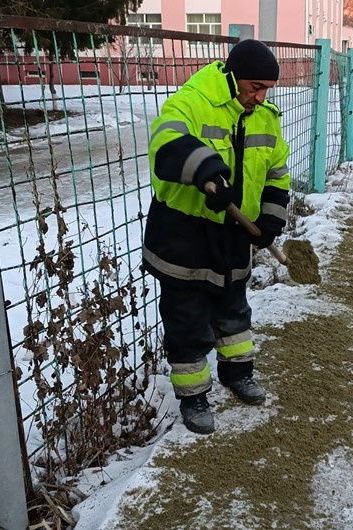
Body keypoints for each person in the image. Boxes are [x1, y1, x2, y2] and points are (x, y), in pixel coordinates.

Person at [142, 40, 291, 434]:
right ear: (234, 78)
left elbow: (277, 172)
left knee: (234, 310)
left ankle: (238, 373)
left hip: (234, 234)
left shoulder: (265, 118)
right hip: (184, 235)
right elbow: (165, 142)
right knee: (187, 320)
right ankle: (193, 397)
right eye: (255, 87)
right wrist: (206, 169)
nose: (261, 98)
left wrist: (270, 218)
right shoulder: (193, 101)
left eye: (267, 90)